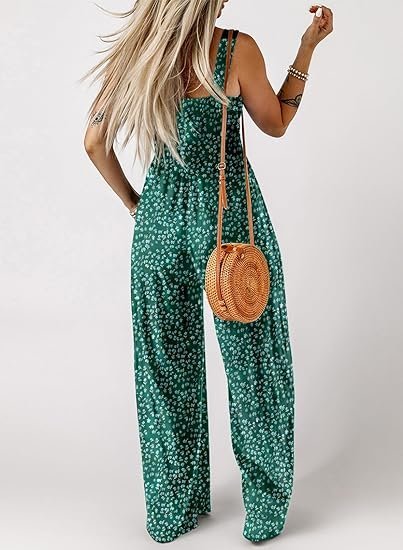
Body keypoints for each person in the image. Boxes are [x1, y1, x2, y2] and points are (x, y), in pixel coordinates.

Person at [82, 0, 333, 543]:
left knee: (164, 372)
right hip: (227, 223)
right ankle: (263, 514)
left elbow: (94, 143)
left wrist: (135, 204)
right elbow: (277, 122)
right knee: (255, 366)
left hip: (159, 226)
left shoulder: (137, 53)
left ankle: (172, 511)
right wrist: (307, 49)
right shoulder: (235, 50)